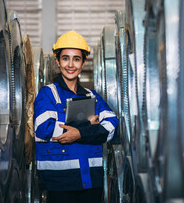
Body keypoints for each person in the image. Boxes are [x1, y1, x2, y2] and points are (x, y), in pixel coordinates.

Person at [33, 31, 119, 203]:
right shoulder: (48, 93)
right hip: (60, 182)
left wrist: (78, 133)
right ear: (57, 61)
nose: (70, 64)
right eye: (65, 58)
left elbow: (112, 127)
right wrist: (89, 126)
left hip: (91, 182)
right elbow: (44, 127)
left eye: (76, 59)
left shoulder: (92, 96)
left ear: (83, 62)